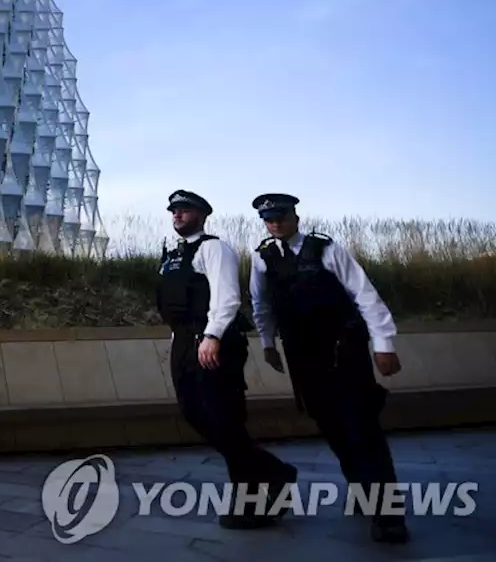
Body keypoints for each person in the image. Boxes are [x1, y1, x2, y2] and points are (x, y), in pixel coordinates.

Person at [247, 193, 409, 545]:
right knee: (332, 427)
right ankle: (362, 488)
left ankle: (388, 515)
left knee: (361, 427)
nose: (275, 224)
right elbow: (261, 304)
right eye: (269, 219)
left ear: (295, 217)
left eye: (281, 217)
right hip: (303, 358)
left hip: (342, 351)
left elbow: (365, 294)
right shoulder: (263, 258)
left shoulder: (325, 249)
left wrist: (383, 344)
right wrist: (268, 343)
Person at [157, 190, 298, 528]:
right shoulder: (172, 257)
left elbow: (227, 298)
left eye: (185, 210)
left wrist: (213, 336)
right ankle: (273, 472)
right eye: (174, 210)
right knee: (194, 414)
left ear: (202, 215)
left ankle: (252, 498)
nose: (177, 215)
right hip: (186, 346)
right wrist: (179, 342)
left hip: (213, 343)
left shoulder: (213, 248)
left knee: (225, 420)